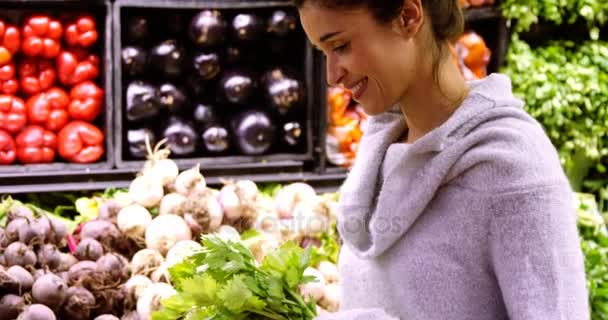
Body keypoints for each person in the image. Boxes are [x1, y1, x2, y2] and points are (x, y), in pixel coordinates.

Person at [294, 0, 590, 319]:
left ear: (408, 16)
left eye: (340, 45)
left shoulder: (514, 168)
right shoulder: (378, 150)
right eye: (323, 52)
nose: (332, 75)